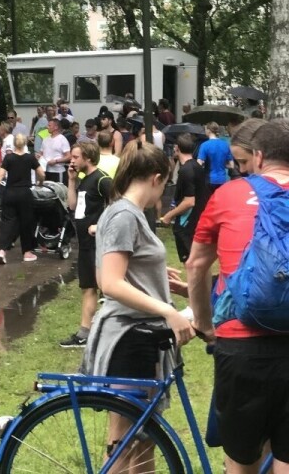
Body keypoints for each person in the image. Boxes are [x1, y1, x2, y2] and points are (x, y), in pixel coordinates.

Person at [82, 140, 194, 471]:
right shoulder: (124, 215)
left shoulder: (128, 214)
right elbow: (110, 282)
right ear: (158, 178)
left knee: (145, 438)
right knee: (124, 438)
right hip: (129, 337)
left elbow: (119, 269)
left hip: (141, 336)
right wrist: (167, 310)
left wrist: (155, 273)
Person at [187, 120, 289, 474]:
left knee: (242, 463)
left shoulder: (228, 194)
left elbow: (196, 265)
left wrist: (203, 322)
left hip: (241, 345)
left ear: (259, 157)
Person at [59, 141, 112, 348]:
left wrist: (99, 226)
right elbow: (73, 206)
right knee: (87, 288)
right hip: (85, 244)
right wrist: (71, 182)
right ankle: (84, 333)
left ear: (88, 158)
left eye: (75, 157)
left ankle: (107, 333)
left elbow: (119, 206)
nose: (71, 161)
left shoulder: (102, 180)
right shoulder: (83, 180)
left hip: (98, 245)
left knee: (105, 291)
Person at [0, 134, 45, 265]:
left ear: (14, 144)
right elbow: (42, 173)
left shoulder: (9, 157)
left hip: (9, 193)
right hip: (25, 193)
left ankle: (2, 250)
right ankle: (27, 252)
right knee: (26, 223)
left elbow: (1, 174)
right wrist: (40, 183)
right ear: (25, 143)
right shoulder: (30, 157)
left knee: (7, 222)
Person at [159, 133, 208, 263]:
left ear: (177, 148)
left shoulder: (187, 171)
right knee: (198, 262)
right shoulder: (197, 167)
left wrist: (169, 215)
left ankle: (193, 284)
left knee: (191, 262)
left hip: (187, 223)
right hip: (196, 220)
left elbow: (189, 202)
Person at [197, 122, 234, 194]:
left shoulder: (204, 145)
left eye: (205, 129)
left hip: (209, 179)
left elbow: (199, 164)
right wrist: (222, 164)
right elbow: (231, 165)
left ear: (208, 130)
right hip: (222, 179)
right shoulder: (225, 144)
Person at [38, 119, 71, 184]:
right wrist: (38, 156)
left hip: (58, 172)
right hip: (46, 171)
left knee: (59, 191)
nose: (47, 127)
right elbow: (41, 153)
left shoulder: (62, 139)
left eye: (49, 125)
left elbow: (68, 156)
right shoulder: (45, 139)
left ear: (56, 127)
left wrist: (56, 161)